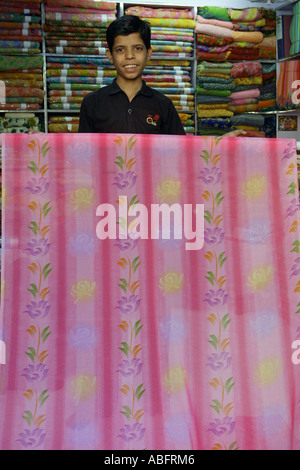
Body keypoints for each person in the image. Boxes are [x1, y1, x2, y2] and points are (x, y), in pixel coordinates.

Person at [78, 15, 245, 137]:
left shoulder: (163, 105)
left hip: (153, 184)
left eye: (138, 48)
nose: (130, 56)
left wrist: (220, 144)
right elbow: (83, 154)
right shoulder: (92, 103)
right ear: (110, 55)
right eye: (120, 50)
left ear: (149, 53)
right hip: (107, 184)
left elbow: (181, 152)